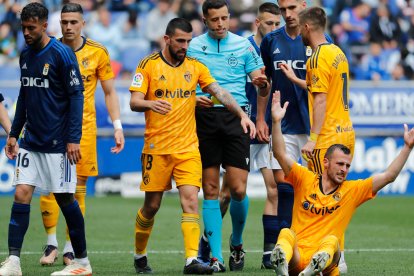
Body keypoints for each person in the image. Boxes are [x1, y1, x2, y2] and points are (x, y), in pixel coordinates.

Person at [129, 17, 255, 275]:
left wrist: (241, 115)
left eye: (188, 40)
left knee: (190, 202)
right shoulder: (148, 65)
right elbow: (134, 101)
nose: (185, 45)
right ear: (167, 39)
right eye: (180, 41)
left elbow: (219, 92)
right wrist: (151, 103)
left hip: (187, 147)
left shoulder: (195, 66)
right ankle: (139, 254)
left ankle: (191, 260)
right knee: (151, 206)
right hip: (157, 148)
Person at [270, 89, 414, 275]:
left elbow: (389, 176)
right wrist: (275, 121)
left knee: (332, 241)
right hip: (298, 258)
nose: (344, 169)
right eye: (340, 164)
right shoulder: (305, 178)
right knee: (286, 234)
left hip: (327, 262)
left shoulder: (352, 190)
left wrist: (407, 148)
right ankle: (284, 264)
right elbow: (280, 154)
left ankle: (314, 266)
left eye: (347, 165)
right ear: (326, 163)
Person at [0, 2, 92, 276]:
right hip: (31, 140)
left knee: (65, 199)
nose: (26, 33)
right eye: (23, 28)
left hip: (57, 143)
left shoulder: (62, 54)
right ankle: (13, 261)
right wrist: (14, 134)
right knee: (22, 193)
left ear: (43, 25)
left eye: (31, 28)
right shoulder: (26, 53)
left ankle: (82, 262)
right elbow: (25, 96)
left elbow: (77, 96)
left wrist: (73, 137)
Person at [38, 2, 125, 267]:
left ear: (83, 24)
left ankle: (69, 248)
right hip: (52, 126)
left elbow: (110, 92)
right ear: (59, 23)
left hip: (84, 128)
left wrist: (118, 126)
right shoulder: (48, 49)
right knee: (49, 185)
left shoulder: (98, 52)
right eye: (64, 22)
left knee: (79, 188)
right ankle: (51, 242)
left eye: (73, 22)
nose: (68, 27)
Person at [187, 0, 269, 272]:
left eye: (224, 18)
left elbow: (261, 83)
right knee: (210, 190)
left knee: (238, 188)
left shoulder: (244, 45)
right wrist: (193, 99)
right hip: (204, 120)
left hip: (237, 119)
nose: (221, 24)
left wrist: (262, 83)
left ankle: (236, 242)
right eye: (215, 20)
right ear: (205, 19)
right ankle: (216, 257)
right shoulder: (194, 46)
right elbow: (181, 84)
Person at [213, 2, 282, 270]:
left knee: (274, 188)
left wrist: (266, 120)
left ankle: (268, 253)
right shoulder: (241, 47)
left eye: (277, 24)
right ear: (257, 23)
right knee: (227, 193)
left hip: (263, 130)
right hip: (240, 127)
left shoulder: (277, 51)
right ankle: (213, 244)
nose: (274, 29)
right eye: (269, 24)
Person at [257, 0, 311, 271]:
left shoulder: (317, 39)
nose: (288, 14)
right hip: (282, 125)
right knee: (284, 185)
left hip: (313, 125)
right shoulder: (270, 41)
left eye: (292, 8)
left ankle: (324, 245)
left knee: (317, 189)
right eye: (283, 9)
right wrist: (261, 118)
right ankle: (284, 249)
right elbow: (265, 84)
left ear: (304, 5)